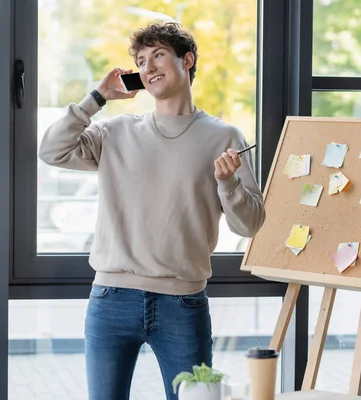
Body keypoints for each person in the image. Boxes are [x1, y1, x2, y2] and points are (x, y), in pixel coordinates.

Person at [38, 20, 266, 400]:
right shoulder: (115, 132)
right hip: (111, 299)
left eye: (158, 55)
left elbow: (251, 224)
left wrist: (229, 183)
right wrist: (97, 97)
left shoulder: (225, 137)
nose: (148, 67)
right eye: (141, 61)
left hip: (183, 304)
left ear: (187, 60)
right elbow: (51, 151)